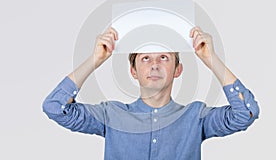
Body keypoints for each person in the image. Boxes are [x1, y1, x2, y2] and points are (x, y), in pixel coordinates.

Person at [42, 26, 259, 160]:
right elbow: (55, 107)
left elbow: (246, 114)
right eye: (145, 58)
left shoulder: (195, 117)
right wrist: (95, 60)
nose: (154, 65)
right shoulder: (111, 115)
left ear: (178, 69)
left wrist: (211, 59)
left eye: (164, 57)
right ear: (133, 71)